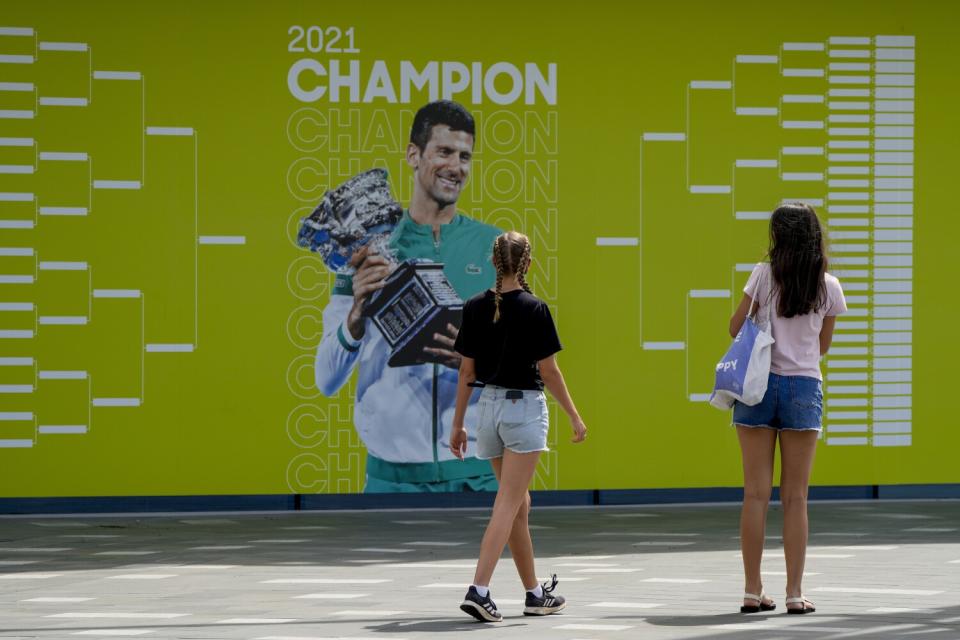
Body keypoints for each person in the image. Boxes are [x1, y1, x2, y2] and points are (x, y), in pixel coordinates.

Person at [314, 100, 502, 492]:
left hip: (477, 474)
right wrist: (355, 318)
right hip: (391, 479)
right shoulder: (367, 248)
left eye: (465, 156)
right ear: (413, 155)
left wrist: (478, 363)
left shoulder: (493, 248)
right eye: (445, 152)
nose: (456, 166)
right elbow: (326, 380)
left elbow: (531, 367)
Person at [450, 231, 588, 622]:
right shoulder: (535, 308)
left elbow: (466, 372)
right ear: (527, 264)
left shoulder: (475, 307)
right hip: (523, 409)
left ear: (495, 263)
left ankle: (533, 593)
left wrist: (458, 424)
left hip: (489, 409)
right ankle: (479, 589)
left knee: (519, 506)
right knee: (509, 503)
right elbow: (550, 371)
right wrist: (574, 416)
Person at [728, 202, 847, 615]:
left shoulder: (762, 276)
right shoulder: (828, 285)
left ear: (778, 235)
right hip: (803, 387)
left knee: (755, 495)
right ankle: (795, 592)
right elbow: (823, 346)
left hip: (758, 386)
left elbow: (734, 327)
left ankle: (751, 589)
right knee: (795, 497)